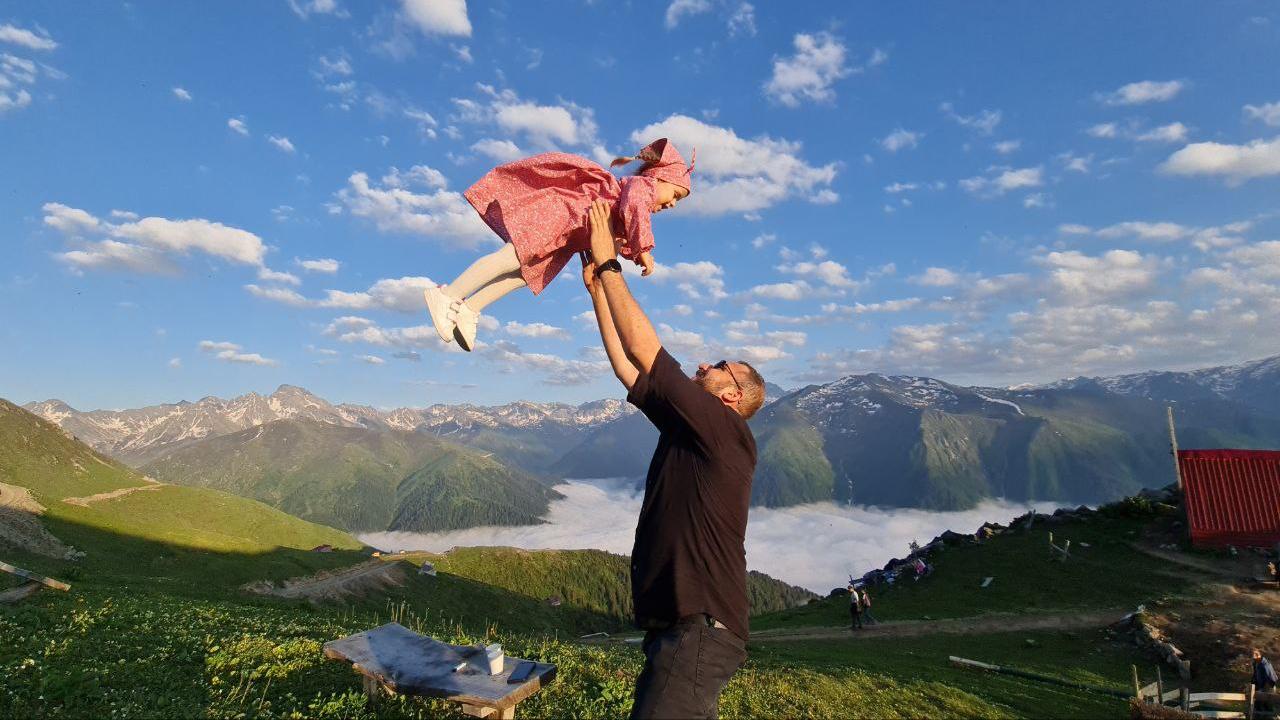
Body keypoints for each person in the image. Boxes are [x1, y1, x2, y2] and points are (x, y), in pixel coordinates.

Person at [579, 199, 765, 720]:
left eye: (720, 365)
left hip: (699, 628)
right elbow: (630, 370)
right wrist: (598, 293)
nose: (705, 364)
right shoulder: (694, 432)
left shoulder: (724, 430)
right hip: (686, 630)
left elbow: (649, 353)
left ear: (733, 395)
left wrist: (610, 264)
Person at [423, 138, 693, 351]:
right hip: (561, 215)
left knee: (524, 275)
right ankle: (448, 295)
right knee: (512, 257)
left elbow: (619, 235)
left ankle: (469, 309)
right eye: (675, 194)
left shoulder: (630, 204)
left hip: (567, 237)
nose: (672, 204)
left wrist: (632, 252)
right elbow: (635, 208)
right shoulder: (641, 187)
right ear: (657, 178)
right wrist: (643, 249)